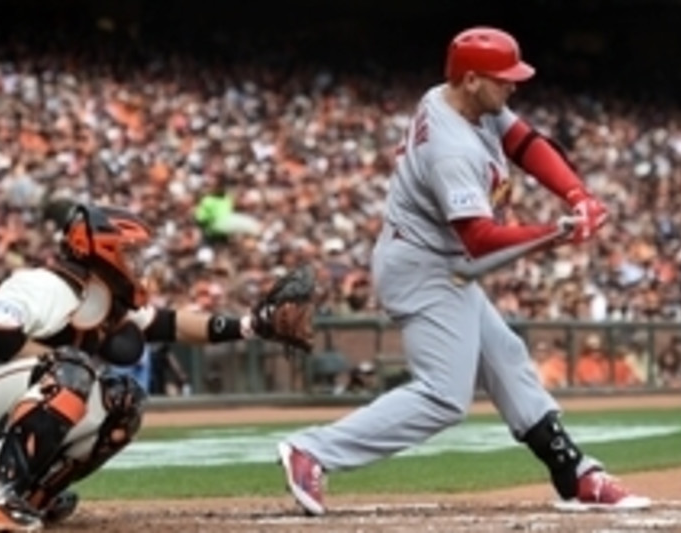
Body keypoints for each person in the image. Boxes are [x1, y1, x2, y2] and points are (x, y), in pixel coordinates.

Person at [277, 26, 650, 516]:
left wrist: (577, 193)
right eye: (503, 78)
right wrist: (558, 229)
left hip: (437, 258)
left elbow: (525, 142)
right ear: (472, 79)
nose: (514, 85)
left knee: (506, 357)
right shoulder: (453, 149)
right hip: (423, 267)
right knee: (444, 396)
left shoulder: (455, 98)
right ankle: (314, 451)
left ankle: (573, 471)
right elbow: (479, 240)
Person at [0, 201, 314, 532]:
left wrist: (250, 325)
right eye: (130, 251)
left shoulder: (105, 299)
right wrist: (59, 361)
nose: (137, 262)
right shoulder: (43, 286)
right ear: (104, 249)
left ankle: (30, 495)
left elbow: (172, 325)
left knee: (123, 400)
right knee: (73, 370)